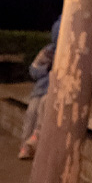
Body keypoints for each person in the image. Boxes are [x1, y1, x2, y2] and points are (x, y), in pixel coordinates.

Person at [19, 17, 61, 160]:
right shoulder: (48, 51)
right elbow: (33, 69)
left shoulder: (69, 55)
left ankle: (36, 142)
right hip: (40, 89)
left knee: (43, 108)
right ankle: (25, 146)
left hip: (54, 91)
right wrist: (46, 69)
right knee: (31, 112)